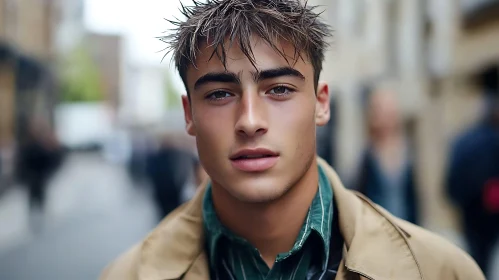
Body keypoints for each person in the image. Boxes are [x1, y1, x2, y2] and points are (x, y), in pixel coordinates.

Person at [101, 1, 484, 279]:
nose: (250, 121)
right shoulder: (125, 275)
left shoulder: (441, 271)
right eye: (220, 94)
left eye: (279, 89)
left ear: (321, 104)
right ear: (189, 116)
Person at [446, 65, 499, 278]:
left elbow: (450, 186)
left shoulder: (462, 141)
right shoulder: (485, 140)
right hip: (483, 218)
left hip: (471, 220)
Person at [354, 87, 419, 224]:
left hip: (407, 226)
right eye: (384, 112)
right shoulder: (369, 154)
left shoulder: (407, 149)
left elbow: (414, 198)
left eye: (391, 112)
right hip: (379, 228)